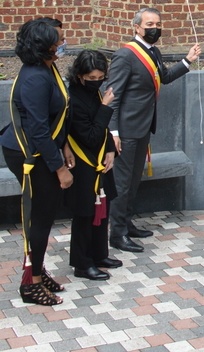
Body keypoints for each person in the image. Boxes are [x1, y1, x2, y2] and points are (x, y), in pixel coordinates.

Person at [105, 7, 202, 252]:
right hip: (125, 131)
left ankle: (127, 224)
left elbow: (164, 77)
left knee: (133, 181)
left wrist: (187, 60)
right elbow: (111, 97)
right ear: (136, 27)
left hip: (143, 128)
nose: (154, 28)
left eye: (158, 24)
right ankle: (117, 234)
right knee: (122, 183)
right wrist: (113, 133)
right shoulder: (125, 55)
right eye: (149, 24)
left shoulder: (153, 51)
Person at [0, 18, 74, 306]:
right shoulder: (34, 78)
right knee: (39, 218)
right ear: (45, 45)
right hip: (30, 155)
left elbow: (57, 118)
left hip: (46, 149)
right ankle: (31, 285)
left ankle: (37, 269)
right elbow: (39, 130)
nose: (64, 43)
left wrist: (64, 147)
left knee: (44, 215)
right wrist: (60, 169)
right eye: (59, 40)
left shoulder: (47, 68)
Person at [65, 50, 121, 280]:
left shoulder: (95, 94)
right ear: (79, 76)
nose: (96, 82)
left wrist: (110, 149)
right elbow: (89, 135)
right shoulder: (74, 99)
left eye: (100, 78)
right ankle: (82, 263)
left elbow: (103, 131)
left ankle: (99, 254)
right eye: (91, 79)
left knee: (103, 209)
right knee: (85, 214)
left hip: (100, 159)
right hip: (83, 163)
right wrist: (106, 106)